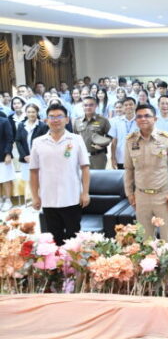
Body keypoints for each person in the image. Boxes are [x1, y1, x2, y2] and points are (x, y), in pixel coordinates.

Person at [29, 103, 90, 245]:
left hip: (72, 198)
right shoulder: (38, 142)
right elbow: (33, 172)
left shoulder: (76, 139)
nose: (55, 120)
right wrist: (35, 196)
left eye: (59, 116)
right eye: (51, 117)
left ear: (67, 120)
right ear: (46, 120)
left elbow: (85, 168)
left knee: (73, 239)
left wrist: (85, 193)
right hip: (48, 199)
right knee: (54, 239)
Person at [123, 104, 168, 242]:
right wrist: (129, 193)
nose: (143, 119)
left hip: (163, 196)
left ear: (155, 119)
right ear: (136, 120)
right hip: (141, 196)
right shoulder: (130, 141)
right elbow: (128, 169)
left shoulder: (166, 139)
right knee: (145, 240)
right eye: (139, 116)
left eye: (147, 116)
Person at [73, 96, 111, 169]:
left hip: (98, 157)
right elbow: (75, 138)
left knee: (99, 176)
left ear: (96, 106)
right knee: (83, 176)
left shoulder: (103, 120)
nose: (88, 107)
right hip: (82, 157)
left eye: (91, 105)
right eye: (85, 105)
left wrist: (103, 145)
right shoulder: (77, 121)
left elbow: (110, 136)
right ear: (82, 106)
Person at [15, 104, 48, 187]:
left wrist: (33, 156)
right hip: (26, 159)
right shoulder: (21, 125)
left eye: (33, 112)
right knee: (28, 182)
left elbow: (44, 144)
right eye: (29, 112)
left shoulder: (43, 126)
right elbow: (18, 141)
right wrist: (24, 155)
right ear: (26, 113)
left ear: (37, 113)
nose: (31, 114)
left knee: (39, 182)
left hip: (38, 159)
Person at [109, 97, 138, 170]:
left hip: (138, 157)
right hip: (121, 157)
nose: (128, 107)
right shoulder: (116, 122)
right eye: (126, 105)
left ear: (135, 106)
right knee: (123, 177)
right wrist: (113, 157)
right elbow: (114, 141)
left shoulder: (140, 120)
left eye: (131, 104)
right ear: (122, 107)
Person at [0, 112, 15, 211]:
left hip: (3, 155)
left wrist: (8, 154)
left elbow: (10, 139)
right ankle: (1, 199)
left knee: (6, 179)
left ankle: (8, 200)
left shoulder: (4, 121)